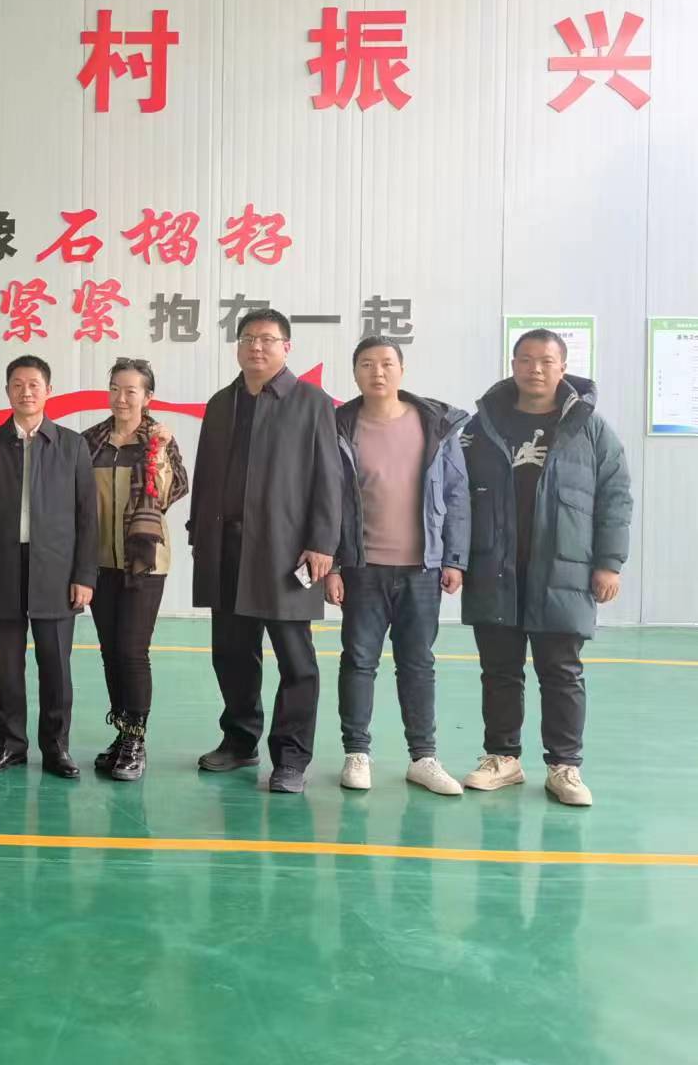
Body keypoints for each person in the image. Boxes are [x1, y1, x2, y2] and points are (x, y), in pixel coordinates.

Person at [459, 329, 632, 806]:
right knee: (499, 670)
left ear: (563, 367)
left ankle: (564, 766)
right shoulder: (482, 425)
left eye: (546, 360)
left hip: (564, 569)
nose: (535, 369)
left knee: (562, 671)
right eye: (526, 359)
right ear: (513, 364)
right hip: (494, 566)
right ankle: (502, 758)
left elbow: (615, 498)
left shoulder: (590, 428)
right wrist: (455, 559)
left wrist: (609, 563)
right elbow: (455, 496)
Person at [188, 308, 341, 794]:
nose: (256, 346)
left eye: (268, 339)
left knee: (296, 660)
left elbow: (330, 477)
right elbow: (206, 474)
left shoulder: (311, 402)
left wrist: (322, 543)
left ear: (286, 347)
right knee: (231, 653)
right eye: (248, 338)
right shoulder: (221, 403)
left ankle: (291, 757)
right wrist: (198, 534)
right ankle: (240, 741)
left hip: (285, 552)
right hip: (226, 549)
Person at [323, 336, 468, 796]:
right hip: (362, 568)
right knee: (359, 661)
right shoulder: (338, 425)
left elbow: (456, 495)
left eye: (386, 363)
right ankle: (356, 753)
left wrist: (454, 559)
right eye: (366, 364)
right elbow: (326, 499)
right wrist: (334, 565)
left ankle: (423, 757)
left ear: (402, 369)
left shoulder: (434, 424)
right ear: (355, 373)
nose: (377, 372)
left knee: (418, 663)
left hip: (422, 569)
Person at [0, 355, 97, 780]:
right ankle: (11, 745)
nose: (26, 392)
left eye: (34, 384)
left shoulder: (72, 446)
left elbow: (87, 517)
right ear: (7, 391)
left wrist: (84, 576)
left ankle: (56, 748)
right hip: (0, 568)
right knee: (6, 667)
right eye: (17, 384)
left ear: (49, 391)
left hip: (55, 571)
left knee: (55, 666)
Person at [79, 358, 189, 782]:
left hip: (144, 562)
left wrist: (159, 452)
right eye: (115, 389)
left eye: (131, 391)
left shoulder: (158, 441)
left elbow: (169, 492)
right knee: (110, 650)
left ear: (147, 396)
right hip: (98, 561)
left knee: (132, 650)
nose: (121, 398)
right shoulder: (91, 441)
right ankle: (123, 732)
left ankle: (136, 740)